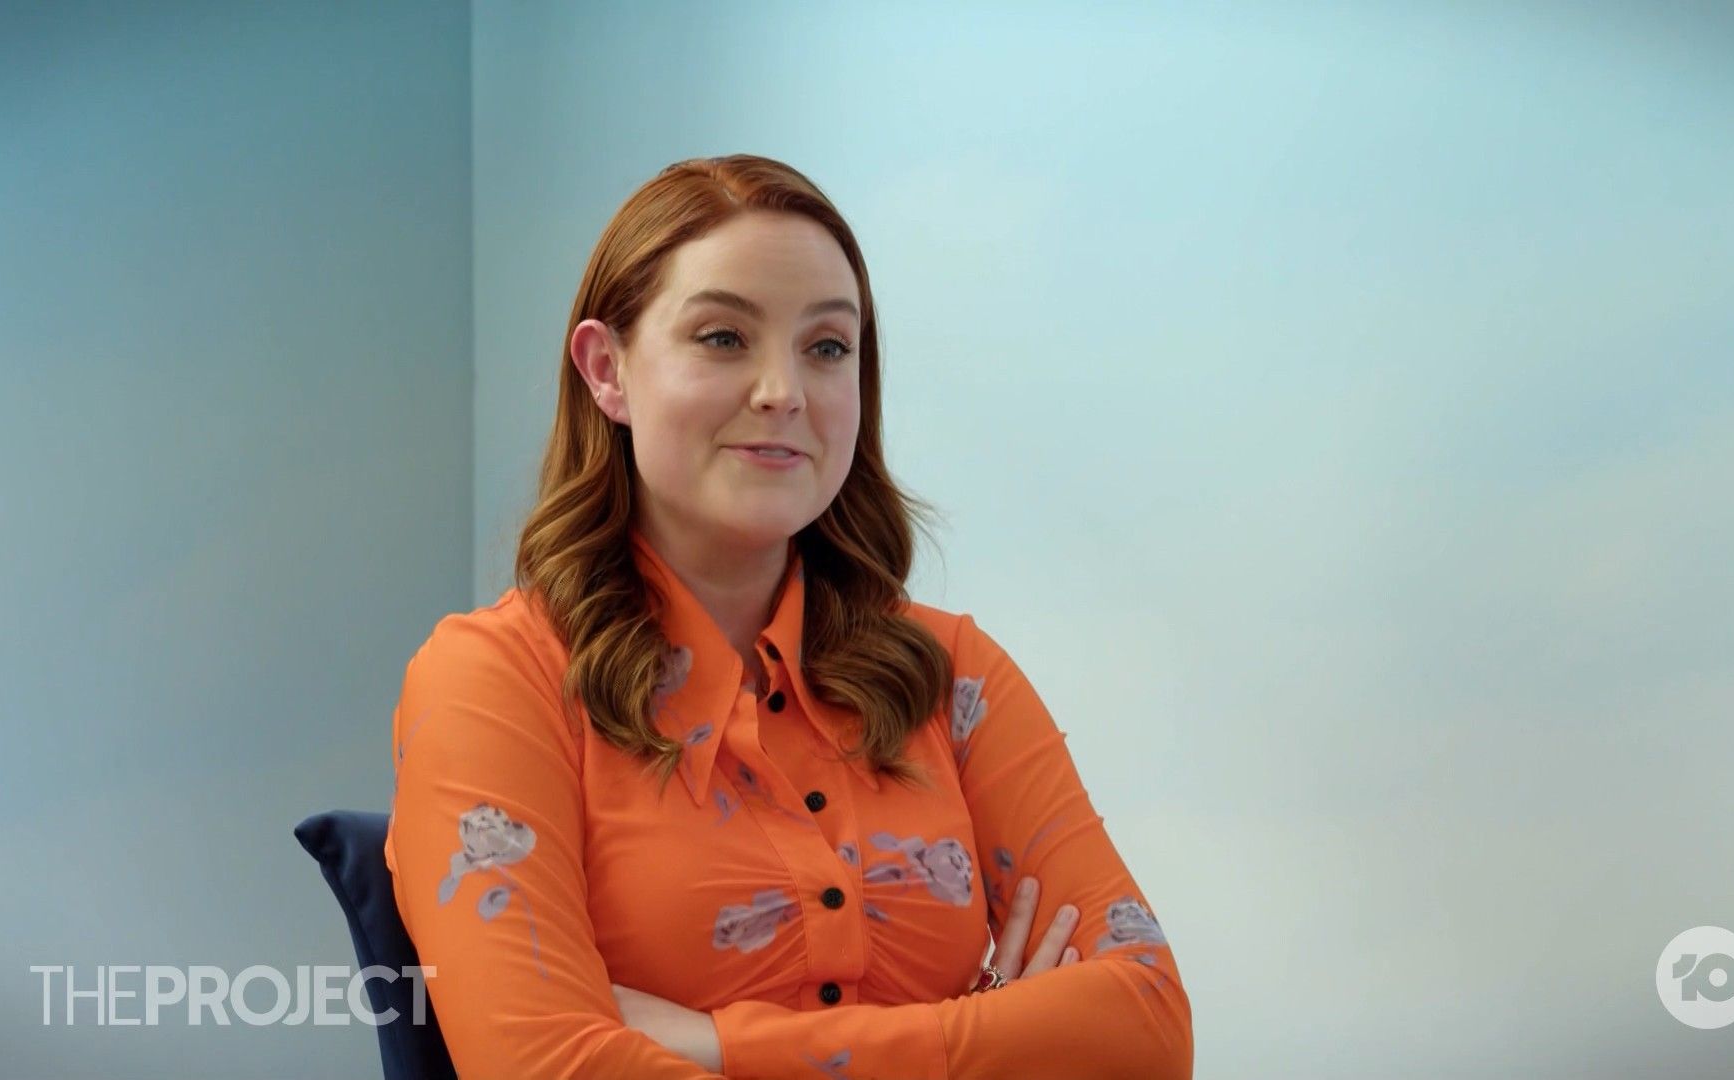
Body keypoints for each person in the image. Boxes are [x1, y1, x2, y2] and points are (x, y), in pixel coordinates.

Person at [384, 154, 1193, 1079]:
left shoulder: (954, 674)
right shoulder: (494, 681)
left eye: (828, 347)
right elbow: (543, 1068)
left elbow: (1149, 1030)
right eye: (724, 337)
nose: (784, 391)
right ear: (607, 371)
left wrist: (718, 1042)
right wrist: (990, 1036)